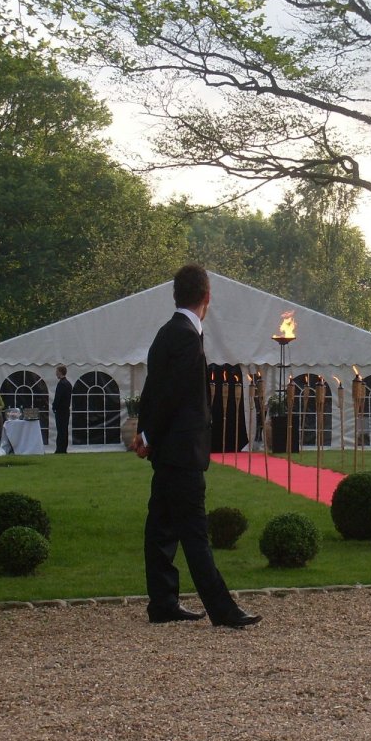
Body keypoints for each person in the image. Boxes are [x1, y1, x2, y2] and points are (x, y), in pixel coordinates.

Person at [133, 264, 261, 629]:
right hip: (182, 451)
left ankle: (163, 602)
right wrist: (150, 435)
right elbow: (171, 394)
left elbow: (153, 389)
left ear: (177, 295)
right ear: (207, 297)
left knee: (160, 528)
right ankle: (222, 610)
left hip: (167, 450)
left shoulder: (165, 333)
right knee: (194, 533)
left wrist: (145, 434)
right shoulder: (188, 336)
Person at [52, 365, 72, 453]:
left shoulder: (61, 384)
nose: (56, 373)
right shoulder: (68, 383)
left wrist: (54, 406)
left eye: (57, 372)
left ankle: (60, 449)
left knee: (60, 430)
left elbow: (58, 397)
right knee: (64, 430)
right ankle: (63, 448)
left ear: (60, 372)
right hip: (66, 410)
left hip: (61, 410)